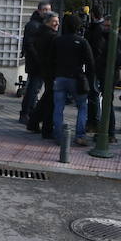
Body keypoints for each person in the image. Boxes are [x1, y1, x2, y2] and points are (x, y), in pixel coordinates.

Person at [50, 14, 94, 146]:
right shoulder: (82, 42)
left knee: (58, 107)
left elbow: (50, 59)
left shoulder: (57, 40)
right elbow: (90, 62)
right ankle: (80, 136)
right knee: (82, 107)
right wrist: (89, 78)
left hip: (59, 77)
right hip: (77, 78)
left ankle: (58, 136)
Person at [26, 12, 59, 139]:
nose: (57, 23)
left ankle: (33, 122)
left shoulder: (42, 33)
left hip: (45, 69)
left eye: (58, 21)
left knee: (47, 96)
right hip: (50, 70)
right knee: (49, 99)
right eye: (54, 21)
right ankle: (46, 127)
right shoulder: (50, 36)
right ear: (47, 22)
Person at [94, 15, 121, 143]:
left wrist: (102, 63)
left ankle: (109, 132)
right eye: (104, 25)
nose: (105, 28)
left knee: (107, 103)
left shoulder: (115, 39)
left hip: (109, 75)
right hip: (106, 73)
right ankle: (107, 131)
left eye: (108, 26)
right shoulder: (109, 38)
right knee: (106, 103)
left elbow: (116, 59)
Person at [20, 1, 52, 124]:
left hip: (39, 62)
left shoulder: (42, 24)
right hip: (36, 63)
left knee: (35, 88)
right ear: (39, 11)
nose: (47, 12)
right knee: (33, 88)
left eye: (48, 9)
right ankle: (26, 113)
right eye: (44, 9)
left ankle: (29, 112)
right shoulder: (34, 25)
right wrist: (39, 59)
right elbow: (29, 44)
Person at [84, 5, 105, 132]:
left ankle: (94, 122)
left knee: (93, 93)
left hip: (94, 66)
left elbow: (95, 48)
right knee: (94, 93)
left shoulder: (97, 29)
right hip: (96, 65)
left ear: (92, 14)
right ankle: (93, 121)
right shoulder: (99, 28)